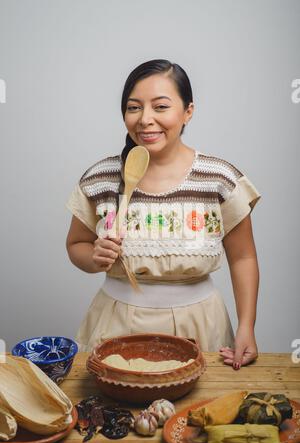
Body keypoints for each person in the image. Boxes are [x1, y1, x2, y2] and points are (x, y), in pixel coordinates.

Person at [66, 59, 261, 370]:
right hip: (115, 325)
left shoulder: (219, 179)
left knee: (196, 415)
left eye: (160, 107)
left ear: (188, 111)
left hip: (201, 325)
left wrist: (246, 326)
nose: (145, 120)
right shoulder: (100, 178)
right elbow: (76, 245)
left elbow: (243, 258)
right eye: (134, 108)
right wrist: (94, 257)